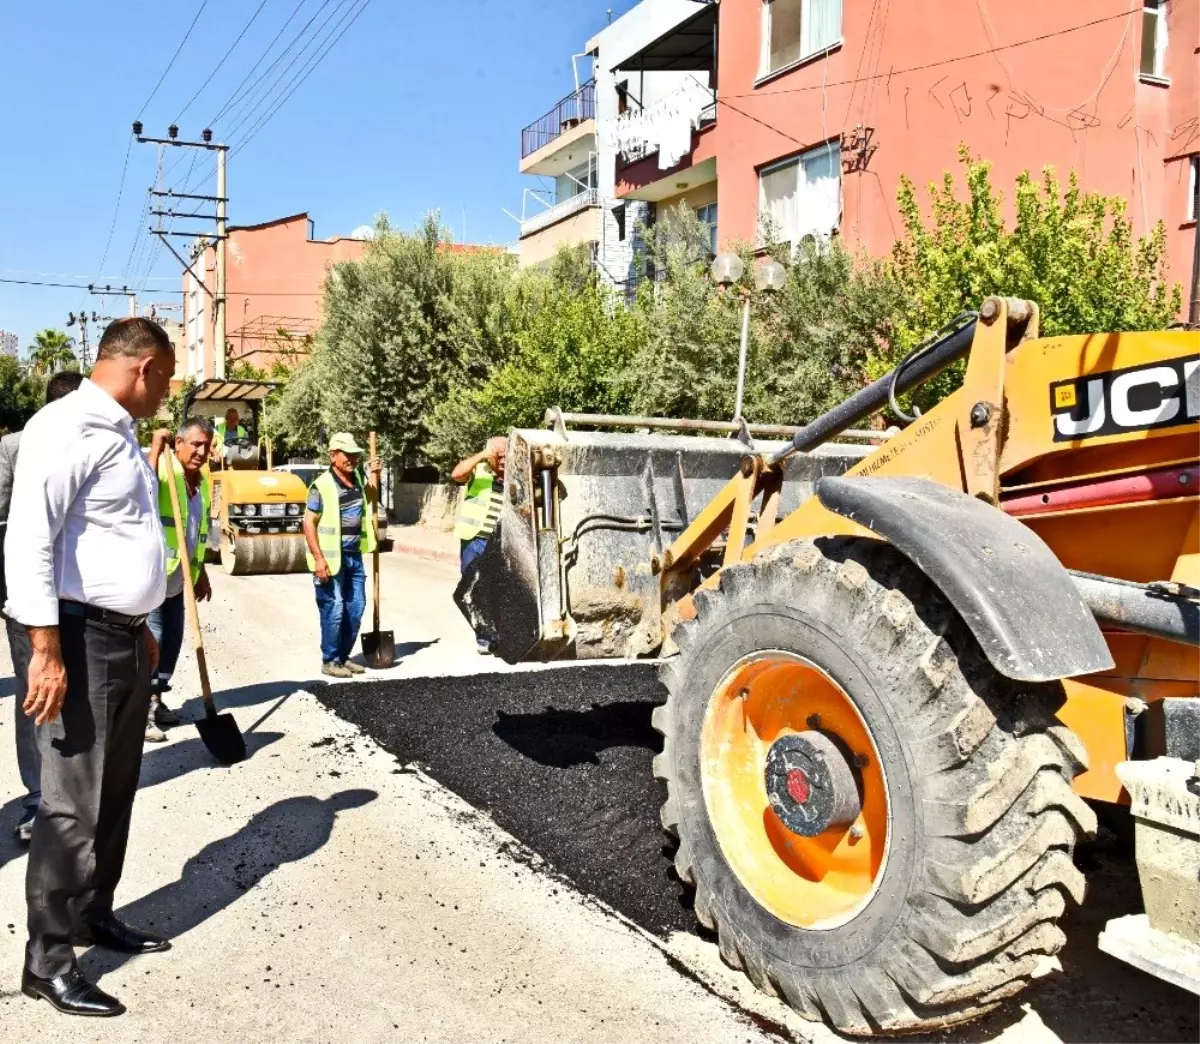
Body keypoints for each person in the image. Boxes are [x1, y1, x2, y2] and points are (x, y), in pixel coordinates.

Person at [4, 317, 176, 1018]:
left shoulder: (119, 431)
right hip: (76, 639)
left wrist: (144, 628)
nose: (168, 392)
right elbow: (30, 541)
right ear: (144, 368)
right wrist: (44, 651)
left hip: (124, 637)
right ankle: (47, 963)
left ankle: (91, 914)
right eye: (166, 378)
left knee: (116, 790)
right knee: (71, 803)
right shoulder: (68, 426)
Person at [0, 371, 84, 843]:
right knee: (36, 698)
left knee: (73, 699)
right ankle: (37, 801)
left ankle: (68, 797)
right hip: (29, 603)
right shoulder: (16, 447)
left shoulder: (92, 442)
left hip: (80, 602)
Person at [144, 417, 214, 743]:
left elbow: (196, 533)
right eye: (196, 444)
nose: (201, 450)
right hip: (156, 573)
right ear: (180, 444)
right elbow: (140, 486)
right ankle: (140, 711)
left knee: (171, 641)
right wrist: (156, 448)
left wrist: (202, 574)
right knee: (152, 642)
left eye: (207, 445)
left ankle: (157, 700)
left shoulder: (200, 484)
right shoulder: (162, 470)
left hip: (180, 577)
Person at [302, 433, 381, 679]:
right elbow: (308, 522)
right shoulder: (322, 485)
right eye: (347, 454)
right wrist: (319, 559)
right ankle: (330, 659)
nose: (353, 459)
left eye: (355, 454)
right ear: (333, 455)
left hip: (354, 556)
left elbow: (370, 498)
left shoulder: (357, 477)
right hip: (331, 559)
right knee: (333, 608)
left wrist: (374, 474)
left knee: (356, 607)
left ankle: (344, 656)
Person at [451, 436, 506, 653]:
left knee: (499, 588)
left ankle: (499, 633)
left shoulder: (516, 474)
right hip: (474, 540)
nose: (502, 460)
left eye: (505, 455)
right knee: (474, 589)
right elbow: (457, 474)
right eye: (498, 455)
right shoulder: (479, 471)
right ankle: (484, 636)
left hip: (500, 544)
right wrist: (483, 455)